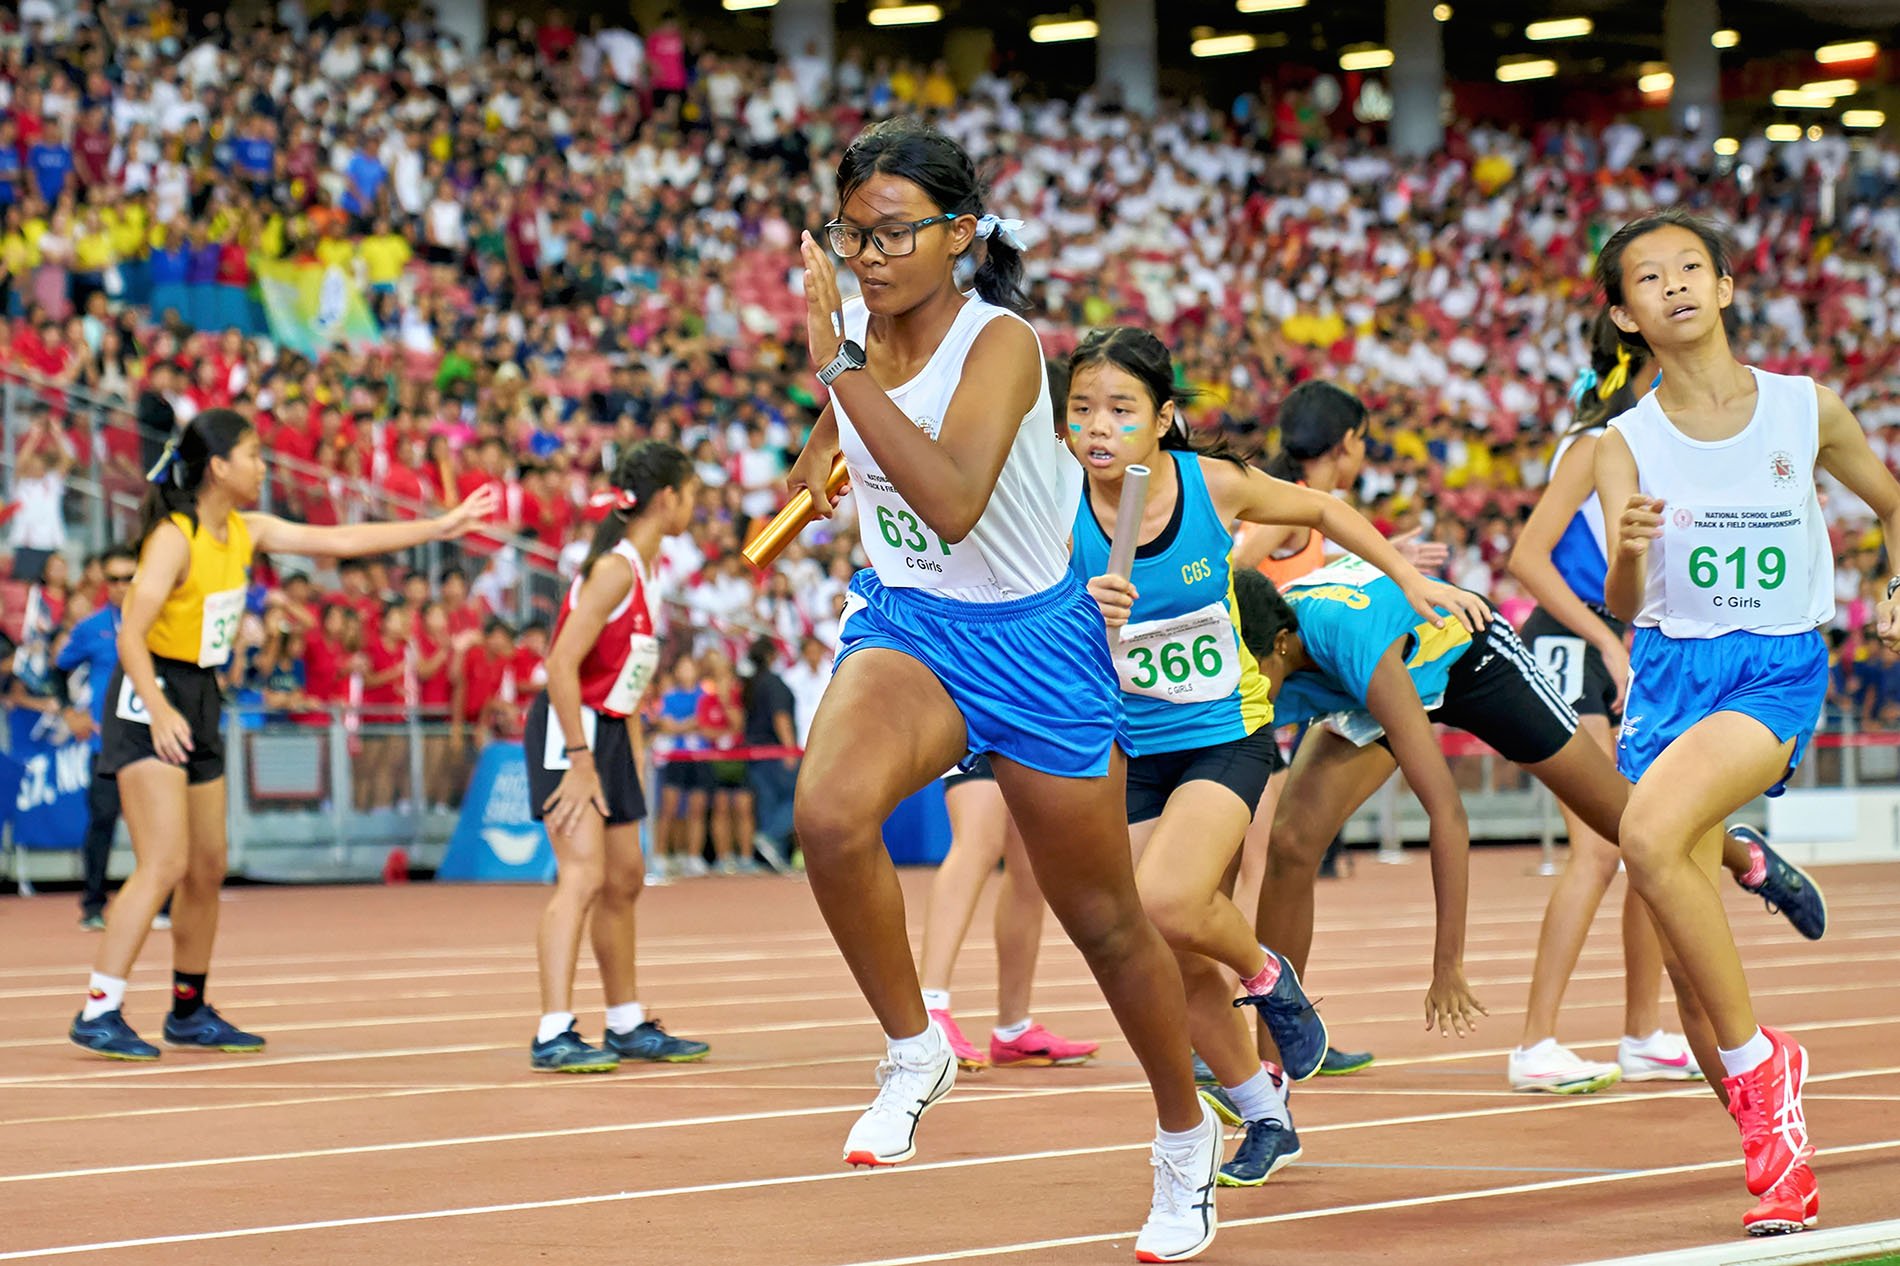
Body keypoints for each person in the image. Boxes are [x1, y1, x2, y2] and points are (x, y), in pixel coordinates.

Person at [784, 117, 1219, 1261]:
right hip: (911, 626)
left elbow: (954, 498)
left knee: (1107, 923)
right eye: (851, 235)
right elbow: (846, 451)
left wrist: (832, 366)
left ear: (959, 233)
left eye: (892, 235)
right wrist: (818, 456)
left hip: (1035, 644)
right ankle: (912, 1044)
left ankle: (1184, 1140)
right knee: (826, 818)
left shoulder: (1004, 345)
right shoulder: (863, 345)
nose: (869, 258)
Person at [1069, 328, 1486, 1189]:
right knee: (1168, 954)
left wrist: (1410, 582)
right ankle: (1266, 1113)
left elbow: (1324, 510)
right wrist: (1077, 605)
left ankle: (1269, 977)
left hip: (1221, 735)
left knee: (1169, 897)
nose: (1097, 428)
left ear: (1162, 420)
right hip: (1127, 741)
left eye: (1119, 409)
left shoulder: (1208, 486)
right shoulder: (1050, 504)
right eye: (1080, 410)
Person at [1594, 209, 1900, 1234]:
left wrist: (1895, 586)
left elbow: (1891, 506)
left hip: (1770, 669)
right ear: (1623, 315)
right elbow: (1623, 603)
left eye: (1690, 267)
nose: (1673, 283)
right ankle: (1774, 1136)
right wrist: (1631, 548)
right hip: (1666, 674)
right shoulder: (1621, 442)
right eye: (1647, 277)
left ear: (1726, 287)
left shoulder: (1804, 410)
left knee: (1645, 836)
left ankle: (1766, 1071)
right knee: (1688, 980)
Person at [69, 409, 496, 1060]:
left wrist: (438, 525)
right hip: (147, 696)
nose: (264, 466)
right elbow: (129, 632)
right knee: (164, 861)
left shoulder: (247, 531)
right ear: (218, 467)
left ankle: (188, 1008)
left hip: (202, 695)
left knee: (208, 865)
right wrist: (157, 708)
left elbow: (341, 543)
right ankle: (100, 1008)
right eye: (253, 455)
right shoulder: (174, 538)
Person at [1506, 309, 1826, 1096]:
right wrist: (1610, 640)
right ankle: (1536, 1038)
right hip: (1587, 642)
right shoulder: (1610, 440)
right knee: (1604, 845)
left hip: (1661, 649)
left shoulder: (1684, 438)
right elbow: (1529, 559)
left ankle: (1645, 1028)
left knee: (1654, 842)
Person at [1227, 382, 1443, 1078]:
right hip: (1250, 696)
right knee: (1255, 867)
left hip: (1285, 699)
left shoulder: (1315, 518)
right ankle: (1237, 1037)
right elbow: (1231, 572)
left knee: (1279, 863)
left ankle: (1286, 1028)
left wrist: (1379, 560)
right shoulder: (1285, 507)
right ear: (1346, 442)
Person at [523, 440, 710, 1072]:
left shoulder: (647, 570)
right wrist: (579, 758)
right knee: (581, 876)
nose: (697, 506)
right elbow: (559, 665)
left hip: (611, 731)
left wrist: (627, 757)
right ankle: (553, 1030)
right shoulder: (614, 570)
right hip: (568, 729)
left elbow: (623, 678)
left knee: (625, 877)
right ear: (668, 498)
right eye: (692, 495)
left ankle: (626, 1022)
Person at [916, 757, 1099, 1070]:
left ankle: (1013, 1030)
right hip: (981, 713)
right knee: (978, 842)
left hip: (1033, 716)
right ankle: (929, 1012)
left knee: (1030, 865)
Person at [54, 546, 152, 931]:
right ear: (103, 583)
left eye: (129, 578)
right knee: (103, 822)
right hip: (105, 745)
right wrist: (70, 712)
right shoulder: (91, 628)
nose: (121, 586)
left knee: (158, 827)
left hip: (151, 742)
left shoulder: (158, 623)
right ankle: (93, 906)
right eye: (113, 579)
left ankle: (161, 907)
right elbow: (57, 669)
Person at [740, 637, 797, 874]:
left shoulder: (752, 683)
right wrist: (789, 748)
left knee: (767, 804)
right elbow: (780, 716)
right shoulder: (773, 682)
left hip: (755, 753)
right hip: (774, 751)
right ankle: (769, 837)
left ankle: (772, 857)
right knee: (795, 800)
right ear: (772, 656)